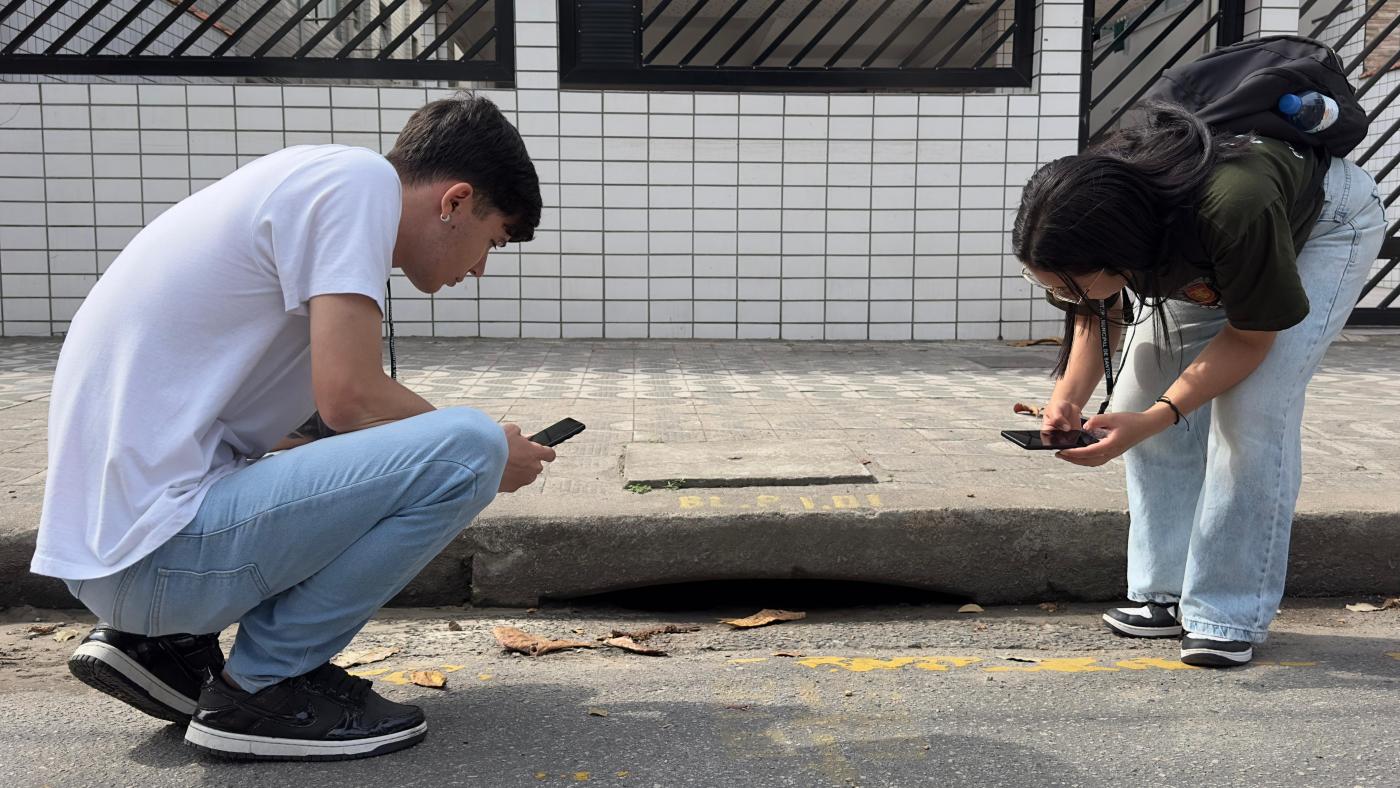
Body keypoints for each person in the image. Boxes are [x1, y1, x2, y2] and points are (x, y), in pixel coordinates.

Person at [31, 93, 555, 760]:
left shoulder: (299, 183)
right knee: (468, 444)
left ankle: (166, 648)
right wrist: (488, 454)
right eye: (493, 241)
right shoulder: (357, 183)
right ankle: (262, 689)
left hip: (116, 555)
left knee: (427, 447)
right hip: (155, 557)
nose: (479, 268)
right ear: (454, 202)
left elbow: (296, 433)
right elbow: (351, 398)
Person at [1012, 102, 1385, 667]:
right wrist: (1067, 399)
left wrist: (1160, 416)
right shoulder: (1087, 211)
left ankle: (1226, 612)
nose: (1065, 294)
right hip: (1203, 244)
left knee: (1252, 410)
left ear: (1123, 252)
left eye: (1071, 284)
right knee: (1137, 394)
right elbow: (1097, 309)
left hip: (1323, 225)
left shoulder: (1234, 207)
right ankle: (1163, 593)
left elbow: (1250, 339)